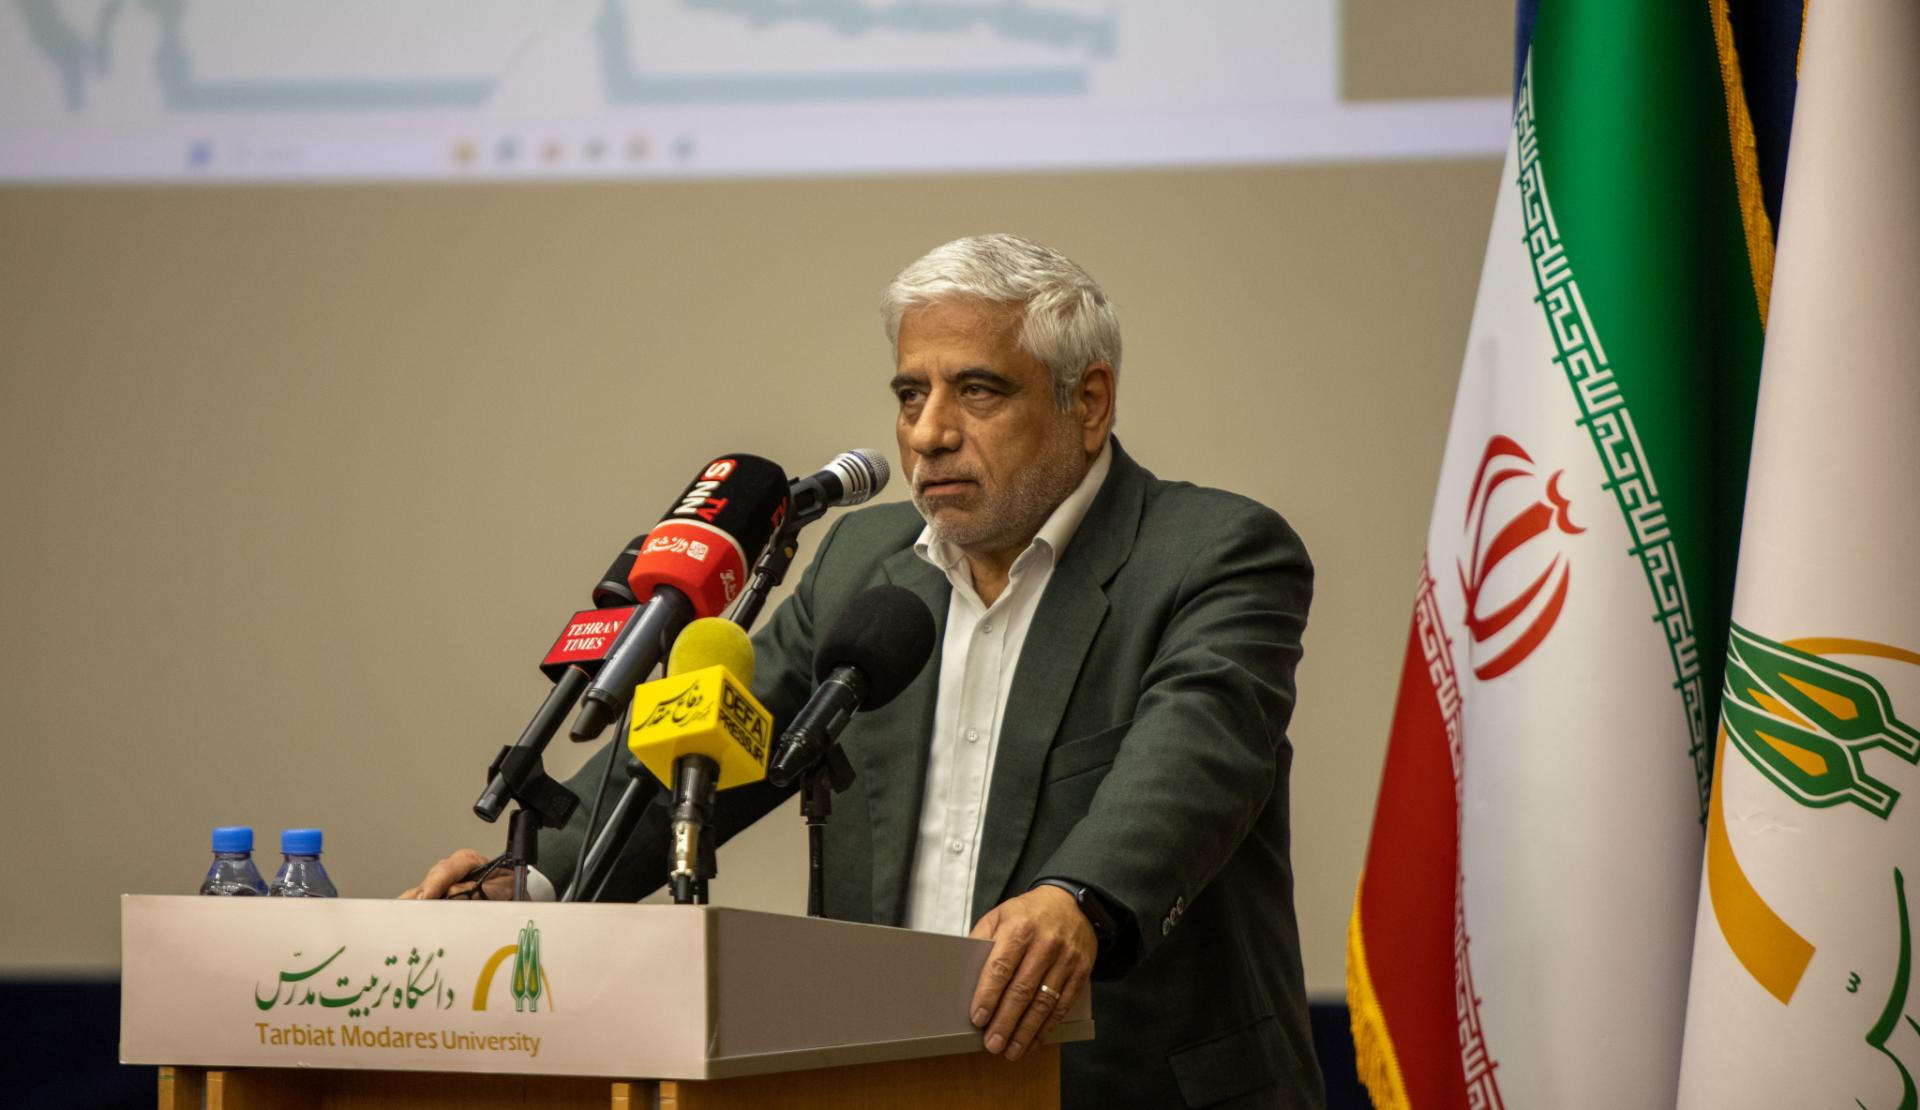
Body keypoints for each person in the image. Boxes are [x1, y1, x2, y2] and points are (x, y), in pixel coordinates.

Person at [405, 234, 1324, 1109]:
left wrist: (1075, 896)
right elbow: (706, 739)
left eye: (977, 391)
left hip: (1130, 1090)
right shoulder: (863, 563)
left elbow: (1194, 758)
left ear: (1088, 402)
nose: (929, 433)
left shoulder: (1214, 552)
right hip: (888, 1085)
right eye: (910, 393)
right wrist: (527, 884)